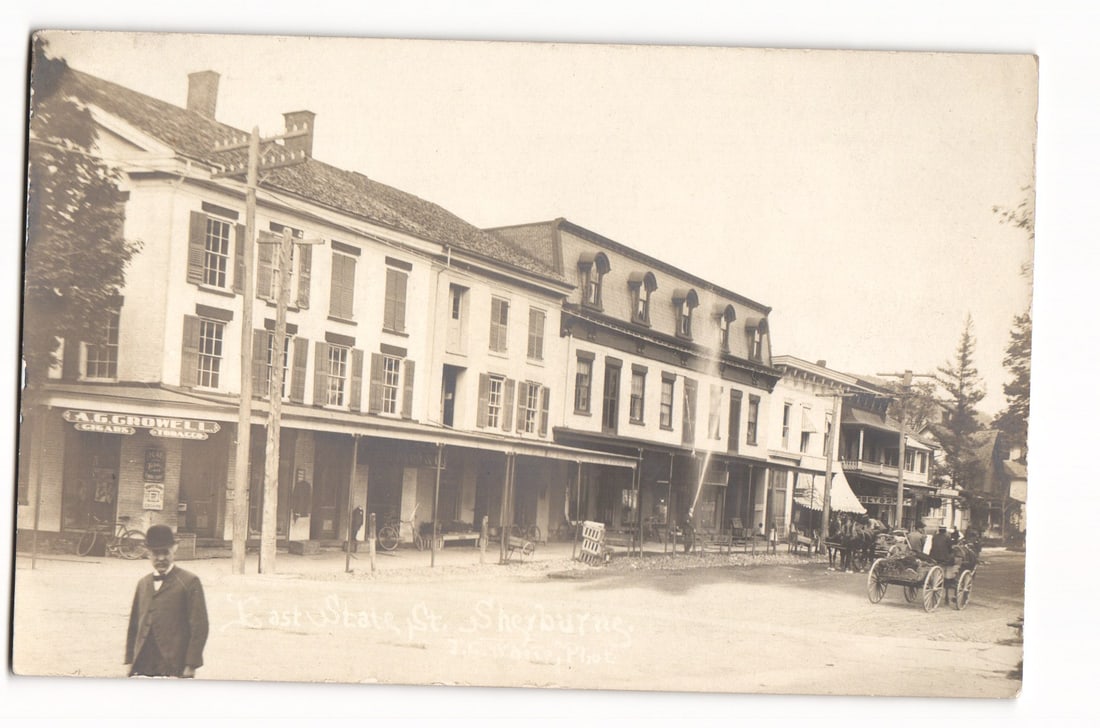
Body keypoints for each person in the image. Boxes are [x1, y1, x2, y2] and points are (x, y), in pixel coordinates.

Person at [126, 524, 209, 678]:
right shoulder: (143, 584)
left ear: (174, 550)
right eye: (155, 553)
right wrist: (131, 660)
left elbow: (200, 626)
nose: (161, 558)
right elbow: (134, 624)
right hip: (144, 661)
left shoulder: (189, 581)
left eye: (165, 552)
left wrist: (191, 664)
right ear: (148, 553)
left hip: (174, 663)